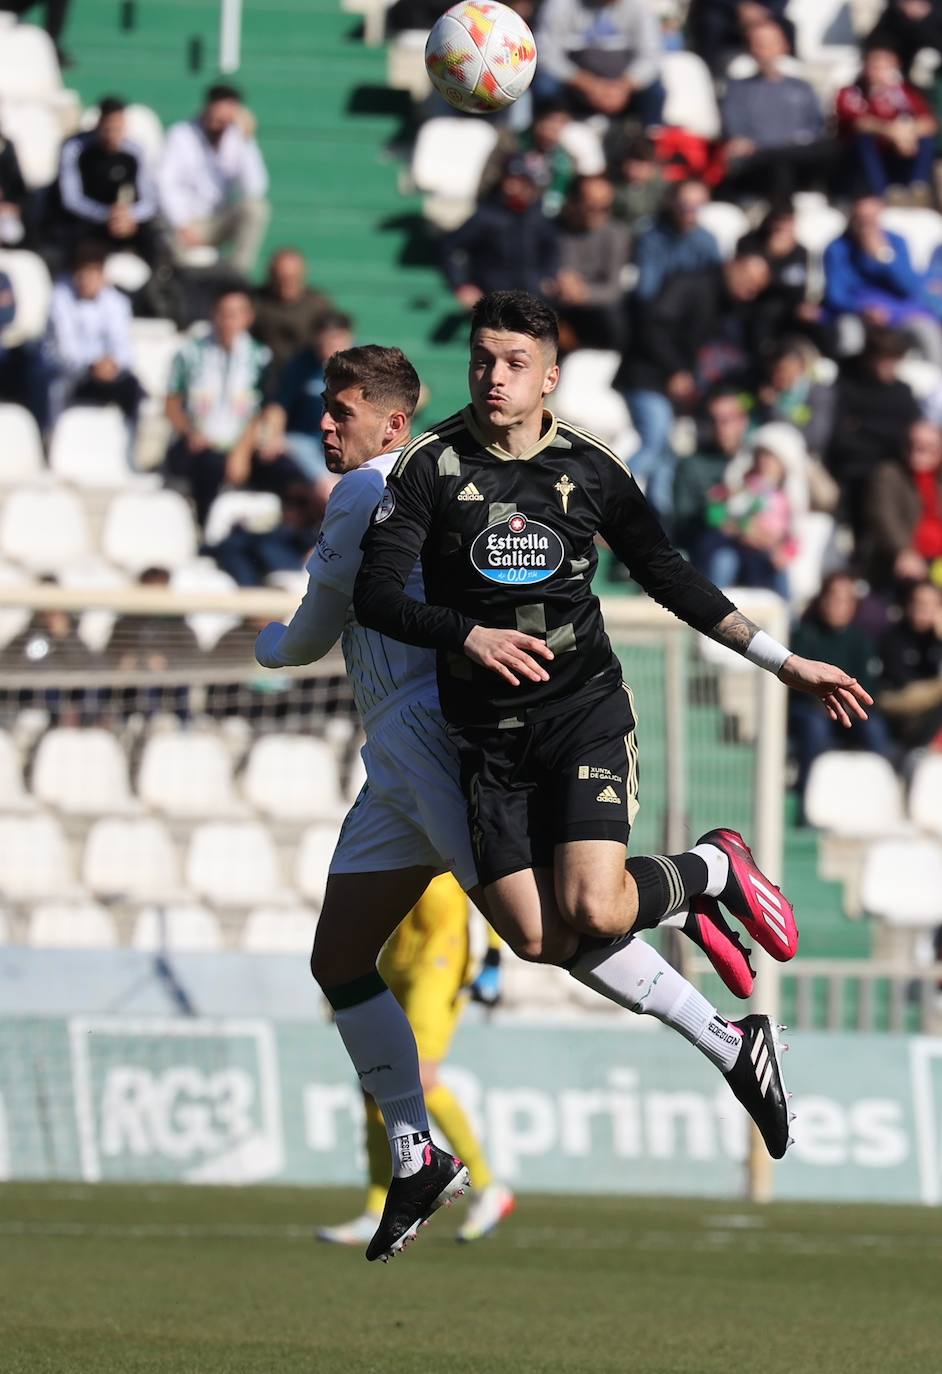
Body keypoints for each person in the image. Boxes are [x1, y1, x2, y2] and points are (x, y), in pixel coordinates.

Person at [255, 339, 800, 1262]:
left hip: (431, 743)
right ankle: (414, 1150)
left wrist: (265, 641)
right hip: (395, 757)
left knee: (547, 933)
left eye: (339, 413)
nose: (323, 427)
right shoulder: (427, 479)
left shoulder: (372, 490)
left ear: (390, 423)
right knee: (339, 954)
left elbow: (308, 637)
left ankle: (714, 952)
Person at [353, 293, 874, 1248]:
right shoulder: (431, 466)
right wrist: (467, 633)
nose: (492, 376)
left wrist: (784, 660)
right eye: (481, 359)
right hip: (486, 742)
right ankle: (730, 1037)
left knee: (592, 910)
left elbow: (668, 574)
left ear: (549, 375)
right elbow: (379, 595)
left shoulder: (591, 470)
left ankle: (712, 868)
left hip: (582, 717)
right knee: (537, 936)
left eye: (513, 361)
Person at [317, 874, 515, 1248]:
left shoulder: (447, 819)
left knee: (422, 1077)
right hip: (394, 957)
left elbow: (489, 877)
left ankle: (488, 1187)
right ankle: (378, 1209)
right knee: (373, 1085)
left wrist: (493, 955)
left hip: (440, 963)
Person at [616, 250, 771, 515]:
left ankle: (659, 528)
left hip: (674, 393)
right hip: (645, 379)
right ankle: (601, 501)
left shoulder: (729, 308)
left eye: (756, 289)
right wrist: (675, 370)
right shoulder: (692, 284)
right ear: (734, 266)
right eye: (748, 282)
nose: (749, 293)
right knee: (656, 440)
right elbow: (652, 327)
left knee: (669, 458)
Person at [163, 287, 302, 527]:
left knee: (285, 468)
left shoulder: (260, 357)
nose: (229, 320)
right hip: (200, 442)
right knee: (208, 464)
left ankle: (279, 533)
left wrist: (244, 449)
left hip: (242, 440)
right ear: (213, 315)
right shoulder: (190, 353)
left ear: (248, 317)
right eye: (224, 313)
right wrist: (190, 432)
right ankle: (205, 531)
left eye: (236, 313)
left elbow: (264, 407)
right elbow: (172, 403)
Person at [790, 572, 894, 812]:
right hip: (813, 710)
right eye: (834, 597)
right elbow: (795, 684)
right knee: (814, 727)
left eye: (846, 599)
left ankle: (882, 803)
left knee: (875, 727)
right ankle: (807, 804)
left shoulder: (861, 639)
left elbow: (868, 686)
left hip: (849, 711)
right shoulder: (805, 635)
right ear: (822, 600)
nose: (839, 605)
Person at [157, 83, 270, 276]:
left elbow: (256, 188)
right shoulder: (182, 135)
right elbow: (164, 184)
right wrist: (182, 224)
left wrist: (246, 139)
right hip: (186, 222)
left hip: (217, 221)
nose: (219, 121)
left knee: (256, 209)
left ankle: (236, 278)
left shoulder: (237, 138)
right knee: (178, 254)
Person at [719, 20, 835, 200]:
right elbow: (737, 134)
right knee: (779, 164)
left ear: (783, 46)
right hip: (762, 163)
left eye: (769, 44)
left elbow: (816, 128)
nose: (763, 50)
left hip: (801, 159)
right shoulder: (738, 90)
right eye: (758, 44)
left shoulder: (802, 88)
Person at [823, 196, 942, 367]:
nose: (865, 226)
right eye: (860, 219)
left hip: (897, 313)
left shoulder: (897, 242)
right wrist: (863, 310)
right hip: (858, 313)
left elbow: (910, 287)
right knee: (849, 335)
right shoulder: (837, 248)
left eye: (870, 220)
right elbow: (835, 294)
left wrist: (883, 256)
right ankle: (848, 384)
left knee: (926, 332)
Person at [826, 325, 922, 539]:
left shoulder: (902, 392)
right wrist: (884, 436)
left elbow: (908, 437)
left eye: (894, 360)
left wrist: (864, 427)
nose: (889, 366)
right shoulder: (849, 388)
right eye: (884, 359)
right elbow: (841, 440)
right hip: (855, 474)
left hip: (894, 472)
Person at [43, 241, 145, 433]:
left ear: (103, 275)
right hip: (70, 373)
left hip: (106, 371)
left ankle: (130, 442)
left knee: (132, 387)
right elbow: (66, 349)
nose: (86, 280)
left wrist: (113, 364)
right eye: (81, 274)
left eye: (92, 274)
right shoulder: (60, 298)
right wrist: (92, 365)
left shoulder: (116, 302)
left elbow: (122, 345)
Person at [256, 310, 353, 500]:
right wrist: (271, 435)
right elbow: (278, 406)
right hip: (306, 439)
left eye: (335, 339)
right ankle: (327, 487)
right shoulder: (301, 364)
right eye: (324, 340)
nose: (329, 347)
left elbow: (413, 392)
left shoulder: (364, 364)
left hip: (348, 438)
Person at [55, 96, 163, 266]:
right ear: (98, 125)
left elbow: (149, 199)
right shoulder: (76, 149)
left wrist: (129, 217)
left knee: (156, 240)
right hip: (88, 222)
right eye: (108, 129)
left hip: (126, 222)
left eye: (117, 129)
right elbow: (71, 199)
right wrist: (106, 215)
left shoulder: (134, 152)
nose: (112, 135)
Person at [441, 158, 560, 308]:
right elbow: (450, 247)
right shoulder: (487, 215)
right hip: (493, 304)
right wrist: (461, 284)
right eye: (509, 179)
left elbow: (551, 248)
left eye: (520, 181)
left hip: (532, 302)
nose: (511, 186)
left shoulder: (538, 216)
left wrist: (548, 276)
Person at [695, 432, 799, 594]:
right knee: (724, 561)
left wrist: (782, 551)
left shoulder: (786, 498)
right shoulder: (742, 488)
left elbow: (793, 537)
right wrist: (741, 528)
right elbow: (718, 514)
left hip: (768, 555)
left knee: (781, 576)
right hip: (739, 549)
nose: (765, 463)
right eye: (762, 457)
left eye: (771, 458)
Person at [533, 0, 665, 127]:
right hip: (574, 85)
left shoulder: (639, 5)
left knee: (655, 90)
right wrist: (590, 85)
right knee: (545, 85)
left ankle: (651, 140)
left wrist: (623, 87)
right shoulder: (561, 4)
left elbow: (651, 56)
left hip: (622, 87)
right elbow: (546, 54)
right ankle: (547, 140)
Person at [836, 43, 937, 201]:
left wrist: (908, 134)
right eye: (874, 66)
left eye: (885, 67)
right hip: (863, 154)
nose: (878, 72)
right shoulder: (852, 93)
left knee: (926, 141)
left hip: (900, 149)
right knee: (864, 140)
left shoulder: (904, 93)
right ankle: (880, 194)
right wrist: (892, 132)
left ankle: (918, 188)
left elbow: (929, 122)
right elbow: (859, 123)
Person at [554, 174, 629, 351]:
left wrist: (583, 293)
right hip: (555, 304)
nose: (598, 214)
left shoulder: (616, 234)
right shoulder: (551, 230)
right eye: (591, 206)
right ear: (574, 202)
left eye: (605, 207)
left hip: (592, 309)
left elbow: (613, 288)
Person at [673, 386, 752, 554]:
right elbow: (683, 520)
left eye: (726, 420)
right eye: (713, 420)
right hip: (708, 550)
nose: (719, 427)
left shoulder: (757, 462)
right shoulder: (692, 465)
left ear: (743, 421)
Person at [865, 420, 942, 589]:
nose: (918, 451)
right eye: (913, 444)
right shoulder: (889, 474)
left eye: (927, 446)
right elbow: (884, 515)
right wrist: (903, 551)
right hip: (906, 560)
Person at [251, 248, 333, 385]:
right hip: (264, 374)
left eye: (291, 278)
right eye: (280, 277)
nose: (286, 283)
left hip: (304, 376)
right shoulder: (256, 301)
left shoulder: (317, 304)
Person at [631, 178, 720, 303]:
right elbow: (647, 288)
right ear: (672, 202)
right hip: (661, 306)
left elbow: (715, 283)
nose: (690, 211)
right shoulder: (652, 238)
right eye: (685, 204)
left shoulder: (707, 240)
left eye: (697, 205)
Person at [878, 578, 942, 749]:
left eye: (931, 605)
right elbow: (903, 685)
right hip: (896, 703)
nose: (924, 609)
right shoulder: (895, 637)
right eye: (919, 603)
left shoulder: (935, 638)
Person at [0, 125, 28, 246]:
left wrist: (14, 206)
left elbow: (17, 183)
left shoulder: (7, 146)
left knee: (12, 232)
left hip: (6, 208)